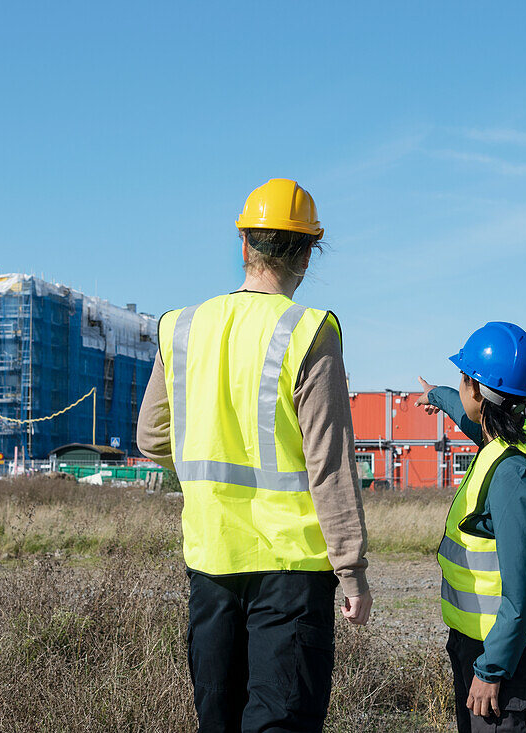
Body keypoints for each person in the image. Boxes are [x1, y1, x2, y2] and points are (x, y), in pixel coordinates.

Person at [136, 178, 372, 733]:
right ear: (307, 255)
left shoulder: (182, 327)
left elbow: (150, 438)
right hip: (291, 569)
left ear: (245, 247)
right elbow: (330, 464)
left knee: (218, 720)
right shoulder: (310, 331)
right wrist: (353, 572)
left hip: (211, 561)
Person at [416, 322, 526, 733]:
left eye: (461, 380)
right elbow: (473, 422)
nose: (459, 387)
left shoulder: (513, 475)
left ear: (477, 391)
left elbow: (523, 591)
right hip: (490, 640)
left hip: (500, 650)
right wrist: (437, 396)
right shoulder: (518, 435)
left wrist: (491, 669)